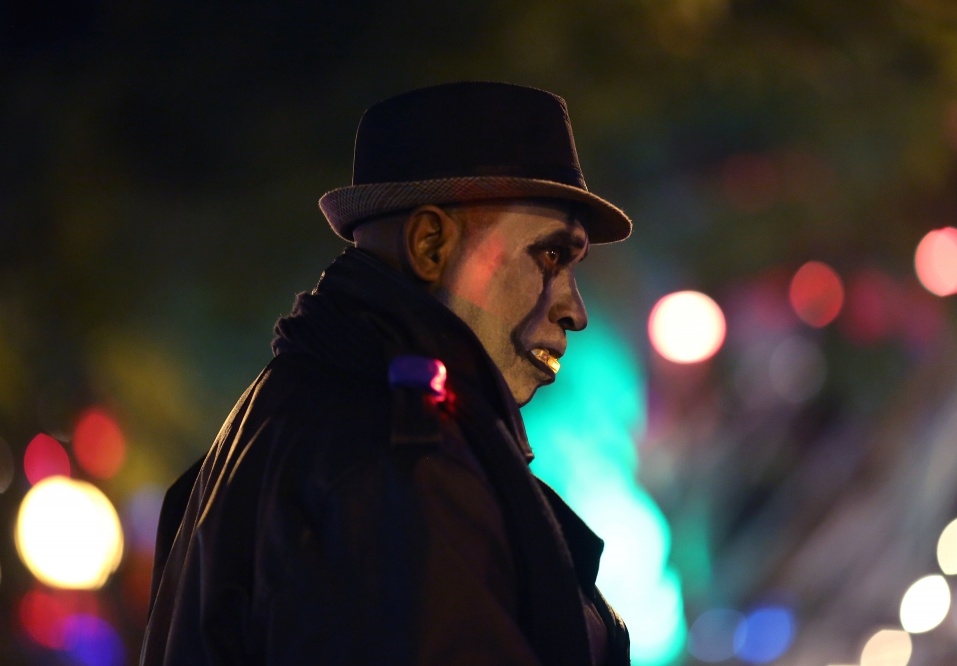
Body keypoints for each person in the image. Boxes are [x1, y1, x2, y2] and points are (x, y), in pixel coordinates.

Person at [141, 81, 632, 665]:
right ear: (430, 244)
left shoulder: (280, 420)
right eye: (551, 255)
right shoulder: (398, 459)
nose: (575, 310)